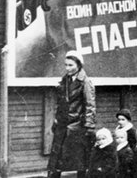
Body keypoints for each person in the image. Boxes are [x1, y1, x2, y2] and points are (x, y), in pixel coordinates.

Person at [47, 50, 96, 178]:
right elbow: (61, 104)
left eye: (71, 65)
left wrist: (89, 127)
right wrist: (56, 120)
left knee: (79, 161)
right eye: (66, 65)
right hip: (62, 125)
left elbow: (90, 106)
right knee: (56, 160)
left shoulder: (85, 82)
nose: (67, 68)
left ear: (79, 65)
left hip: (77, 127)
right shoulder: (65, 80)